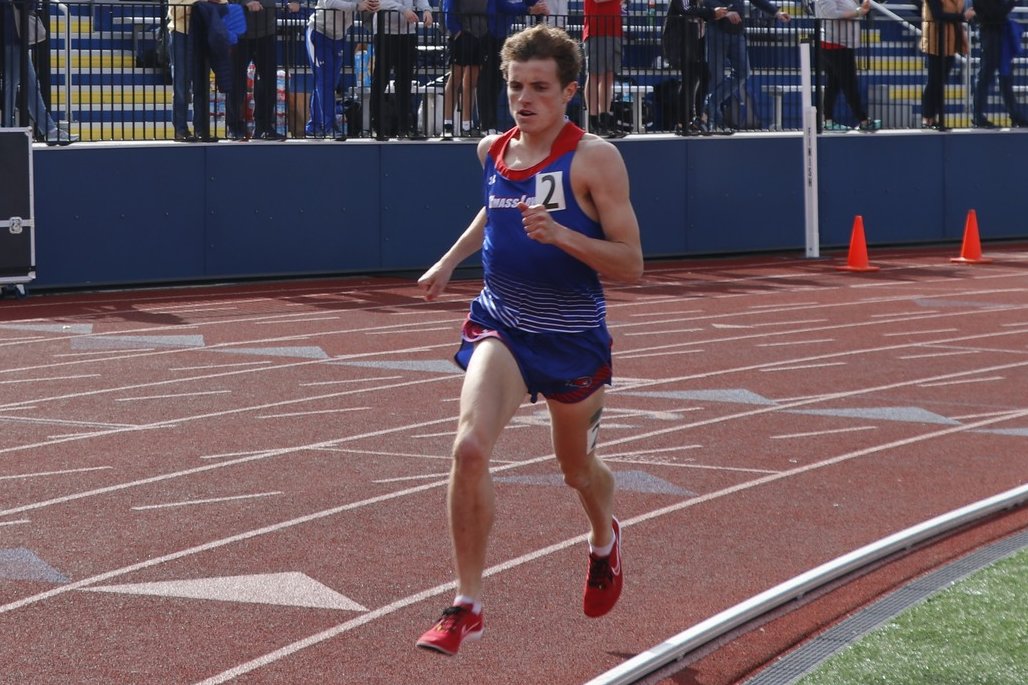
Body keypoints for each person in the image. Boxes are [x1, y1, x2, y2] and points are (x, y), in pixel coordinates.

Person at [413, 23, 643, 657]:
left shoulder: (594, 158)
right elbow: (496, 207)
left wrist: (564, 235)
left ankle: (604, 539)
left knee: (576, 472)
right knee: (468, 448)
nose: (524, 98)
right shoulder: (492, 150)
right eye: (515, 85)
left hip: (571, 339)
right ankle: (467, 603)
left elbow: (631, 264)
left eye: (539, 87)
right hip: (503, 324)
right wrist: (450, 259)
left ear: (571, 90)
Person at [703, 0, 790, 133]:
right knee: (715, 77)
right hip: (716, 30)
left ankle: (710, 105)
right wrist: (725, 12)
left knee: (743, 72)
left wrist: (776, 12)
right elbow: (707, 2)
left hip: (737, 32)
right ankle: (714, 123)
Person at [2, 1, 76, 145]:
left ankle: (49, 130)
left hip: (14, 38)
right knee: (14, 84)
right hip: (11, 36)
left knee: (29, 86)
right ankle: (7, 128)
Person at [306, 0, 380, 139]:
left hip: (338, 35)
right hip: (319, 32)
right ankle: (330, 127)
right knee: (325, 82)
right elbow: (329, 2)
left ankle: (314, 126)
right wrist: (357, 5)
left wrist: (370, 6)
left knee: (330, 83)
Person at [474, 0, 549, 136]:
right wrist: (529, 9)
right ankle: (485, 124)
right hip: (488, 32)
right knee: (487, 80)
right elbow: (502, 5)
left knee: (496, 81)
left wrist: (538, 5)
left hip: (501, 34)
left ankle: (492, 123)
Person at [227, 0, 300, 140]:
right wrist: (245, 3)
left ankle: (263, 127)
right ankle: (234, 127)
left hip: (266, 33)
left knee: (268, 82)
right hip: (240, 33)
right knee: (236, 83)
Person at [371, 0, 434, 139]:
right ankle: (377, 126)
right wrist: (402, 9)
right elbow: (377, 3)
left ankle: (405, 127)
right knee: (381, 80)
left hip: (407, 33)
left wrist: (427, 9)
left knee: (405, 81)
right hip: (384, 32)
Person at [663, 0, 727, 135]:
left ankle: (695, 119)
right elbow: (685, 9)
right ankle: (683, 123)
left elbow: (697, 11)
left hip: (694, 40)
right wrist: (711, 13)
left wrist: (714, 13)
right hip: (682, 41)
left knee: (702, 76)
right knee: (690, 79)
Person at [815, 0, 881, 131]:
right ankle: (863, 120)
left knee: (833, 85)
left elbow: (851, 11)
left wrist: (861, 10)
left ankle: (828, 120)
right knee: (849, 83)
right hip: (835, 44)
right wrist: (858, 11)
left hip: (844, 43)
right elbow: (831, 14)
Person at [965, 0, 1027, 127]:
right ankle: (978, 115)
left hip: (998, 32)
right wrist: (1012, 2)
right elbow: (996, 13)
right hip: (990, 34)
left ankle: (1015, 114)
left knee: (1005, 76)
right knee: (986, 76)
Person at [440, 0, 490, 137]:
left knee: (472, 82)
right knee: (455, 78)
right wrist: (456, 31)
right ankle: (447, 125)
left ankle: (467, 125)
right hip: (462, 35)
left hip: (480, 35)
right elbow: (448, 8)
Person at [920, 0, 967, 130]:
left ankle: (936, 117)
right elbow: (938, 14)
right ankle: (927, 117)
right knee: (934, 81)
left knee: (941, 81)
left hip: (951, 42)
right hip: (935, 41)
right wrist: (962, 17)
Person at [582, 0, 625, 137]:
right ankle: (593, 122)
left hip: (614, 28)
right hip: (596, 29)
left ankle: (604, 121)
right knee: (594, 75)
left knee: (608, 76)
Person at [167, 0, 200, 141]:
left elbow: (223, 3)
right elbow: (174, 12)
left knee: (201, 82)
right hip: (180, 33)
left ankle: (201, 128)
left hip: (201, 34)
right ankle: (181, 129)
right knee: (181, 82)